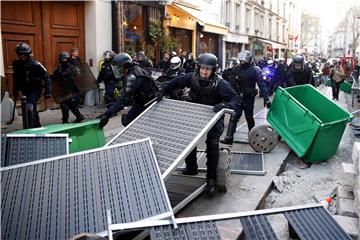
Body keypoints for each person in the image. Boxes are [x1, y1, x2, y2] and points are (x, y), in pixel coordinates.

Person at [155, 53, 241, 196]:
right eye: (202, 68)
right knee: (188, 139)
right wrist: (162, 90)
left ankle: (211, 179)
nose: (204, 71)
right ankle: (191, 167)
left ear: (213, 70)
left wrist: (224, 104)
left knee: (212, 144)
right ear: (198, 68)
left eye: (208, 69)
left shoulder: (221, 84)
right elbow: (175, 82)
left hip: (214, 116)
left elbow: (236, 100)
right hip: (194, 114)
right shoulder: (191, 77)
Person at [220, 50, 271, 145]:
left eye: (244, 59)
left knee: (249, 118)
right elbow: (230, 83)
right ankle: (229, 137)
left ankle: (253, 138)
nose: (242, 61)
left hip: (249, 98)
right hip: (238, 97)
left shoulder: (255, 70)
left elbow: (262, 85)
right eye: (241, 59)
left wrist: (266, 98)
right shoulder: (236, 68)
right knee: (234, 116)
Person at [98, 53, 158, 127]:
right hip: (143, 101)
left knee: (129, 121)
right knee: (127, 120)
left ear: (126, 65)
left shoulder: (132, 77)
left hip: (150, 103)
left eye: (119, 68)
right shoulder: (135, 69)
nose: (119, 71)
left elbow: (125, 100)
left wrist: (107, 115)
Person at [12, 43, 51, 128]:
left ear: (28, 54)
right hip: (25, 89)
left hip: (35, 89)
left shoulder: (36, 64)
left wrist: (48, 91)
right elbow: (15, 77)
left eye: (24, 54)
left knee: (29, 107)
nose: (22, 56)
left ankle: (31, 127)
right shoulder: (16, 64)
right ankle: (37, 125)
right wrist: (15, 90)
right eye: (20, 54)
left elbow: (46, 76)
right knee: (30, 108)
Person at [52, 52, 84, 123]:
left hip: (72, 90)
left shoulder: (72, 68)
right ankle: (72, 118)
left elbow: (79, 76)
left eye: (65, 59)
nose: (64, 60)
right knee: (65, 105)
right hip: (63, 89)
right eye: (63, 59)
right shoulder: (59, 68)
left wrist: (70, 76)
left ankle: (69, 119)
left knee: (67, 104)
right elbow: (54, 77)